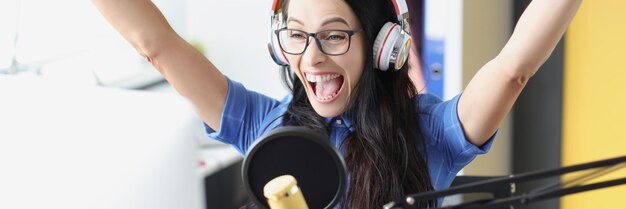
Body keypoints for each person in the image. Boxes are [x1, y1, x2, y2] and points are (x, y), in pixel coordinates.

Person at [91, 0, 582, 208]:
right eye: (298, 36)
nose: (312, 59)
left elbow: (513, 68)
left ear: (383, 44)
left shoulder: (429, 132)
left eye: (334, 36)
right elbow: (155, 44)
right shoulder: (265, 124)